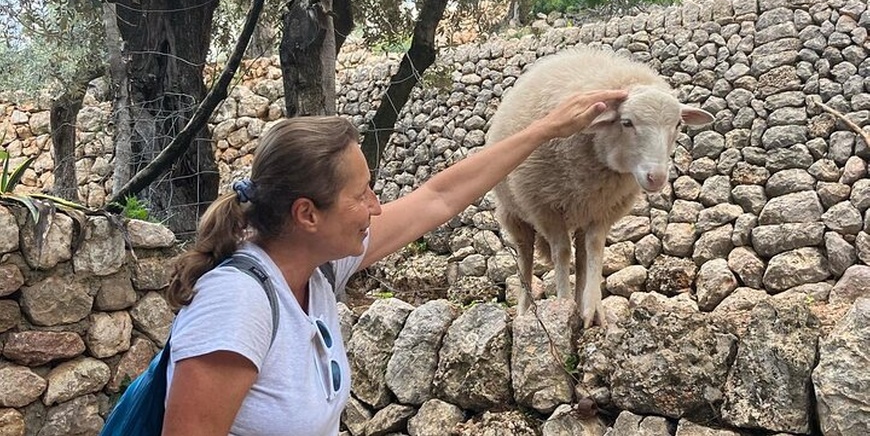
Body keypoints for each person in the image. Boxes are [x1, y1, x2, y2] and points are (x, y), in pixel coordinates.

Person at [161, 88, 627, 435]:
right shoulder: (236, 306)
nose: (377, 207)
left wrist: (545, 128)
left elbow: (437, 197)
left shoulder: (314, 266)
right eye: (361, 194)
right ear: (306, 214)